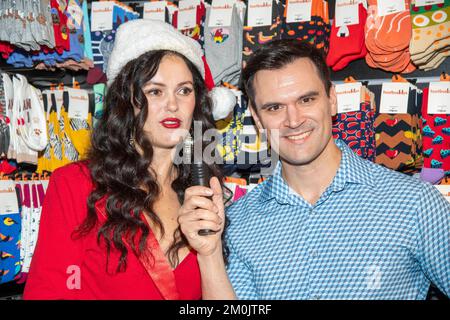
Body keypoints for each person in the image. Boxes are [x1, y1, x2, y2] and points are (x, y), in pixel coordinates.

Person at [179, 39, 450, 300]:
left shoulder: (414, 203)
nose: (293, 120)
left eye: (306, 100)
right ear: (258, 118)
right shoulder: (237, 222)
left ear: (332, 100)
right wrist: (209, 254)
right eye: (274, 107)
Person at [23, 20, 227, 300]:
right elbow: (48, 291)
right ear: (126, 101)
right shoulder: (77, 185)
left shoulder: (203, 192)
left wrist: (211, 252)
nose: (172, 104)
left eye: (184, 90)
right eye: (155, 91)